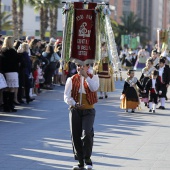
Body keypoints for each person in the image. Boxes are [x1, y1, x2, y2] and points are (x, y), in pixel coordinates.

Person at [64, 63, 99, 170]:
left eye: (82, 66)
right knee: (75, 135)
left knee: (87, 133)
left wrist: (86, 77)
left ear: (88, 67)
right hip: (75, 110)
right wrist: (74, 103)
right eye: (78, 65)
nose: (80, 68)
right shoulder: (71, 79)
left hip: (89, 110)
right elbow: (66, 96)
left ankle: (87, 158)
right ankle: (80, 161)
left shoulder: (94, 77)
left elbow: (94, 88)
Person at [1, 36, 19, 112]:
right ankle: (11, 105)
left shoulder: (2, 51)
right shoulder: (13, 51)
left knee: (5, 89)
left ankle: (6, 106)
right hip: (12, 71)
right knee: (12, 89)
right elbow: (17, 62)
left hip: (4, 72)